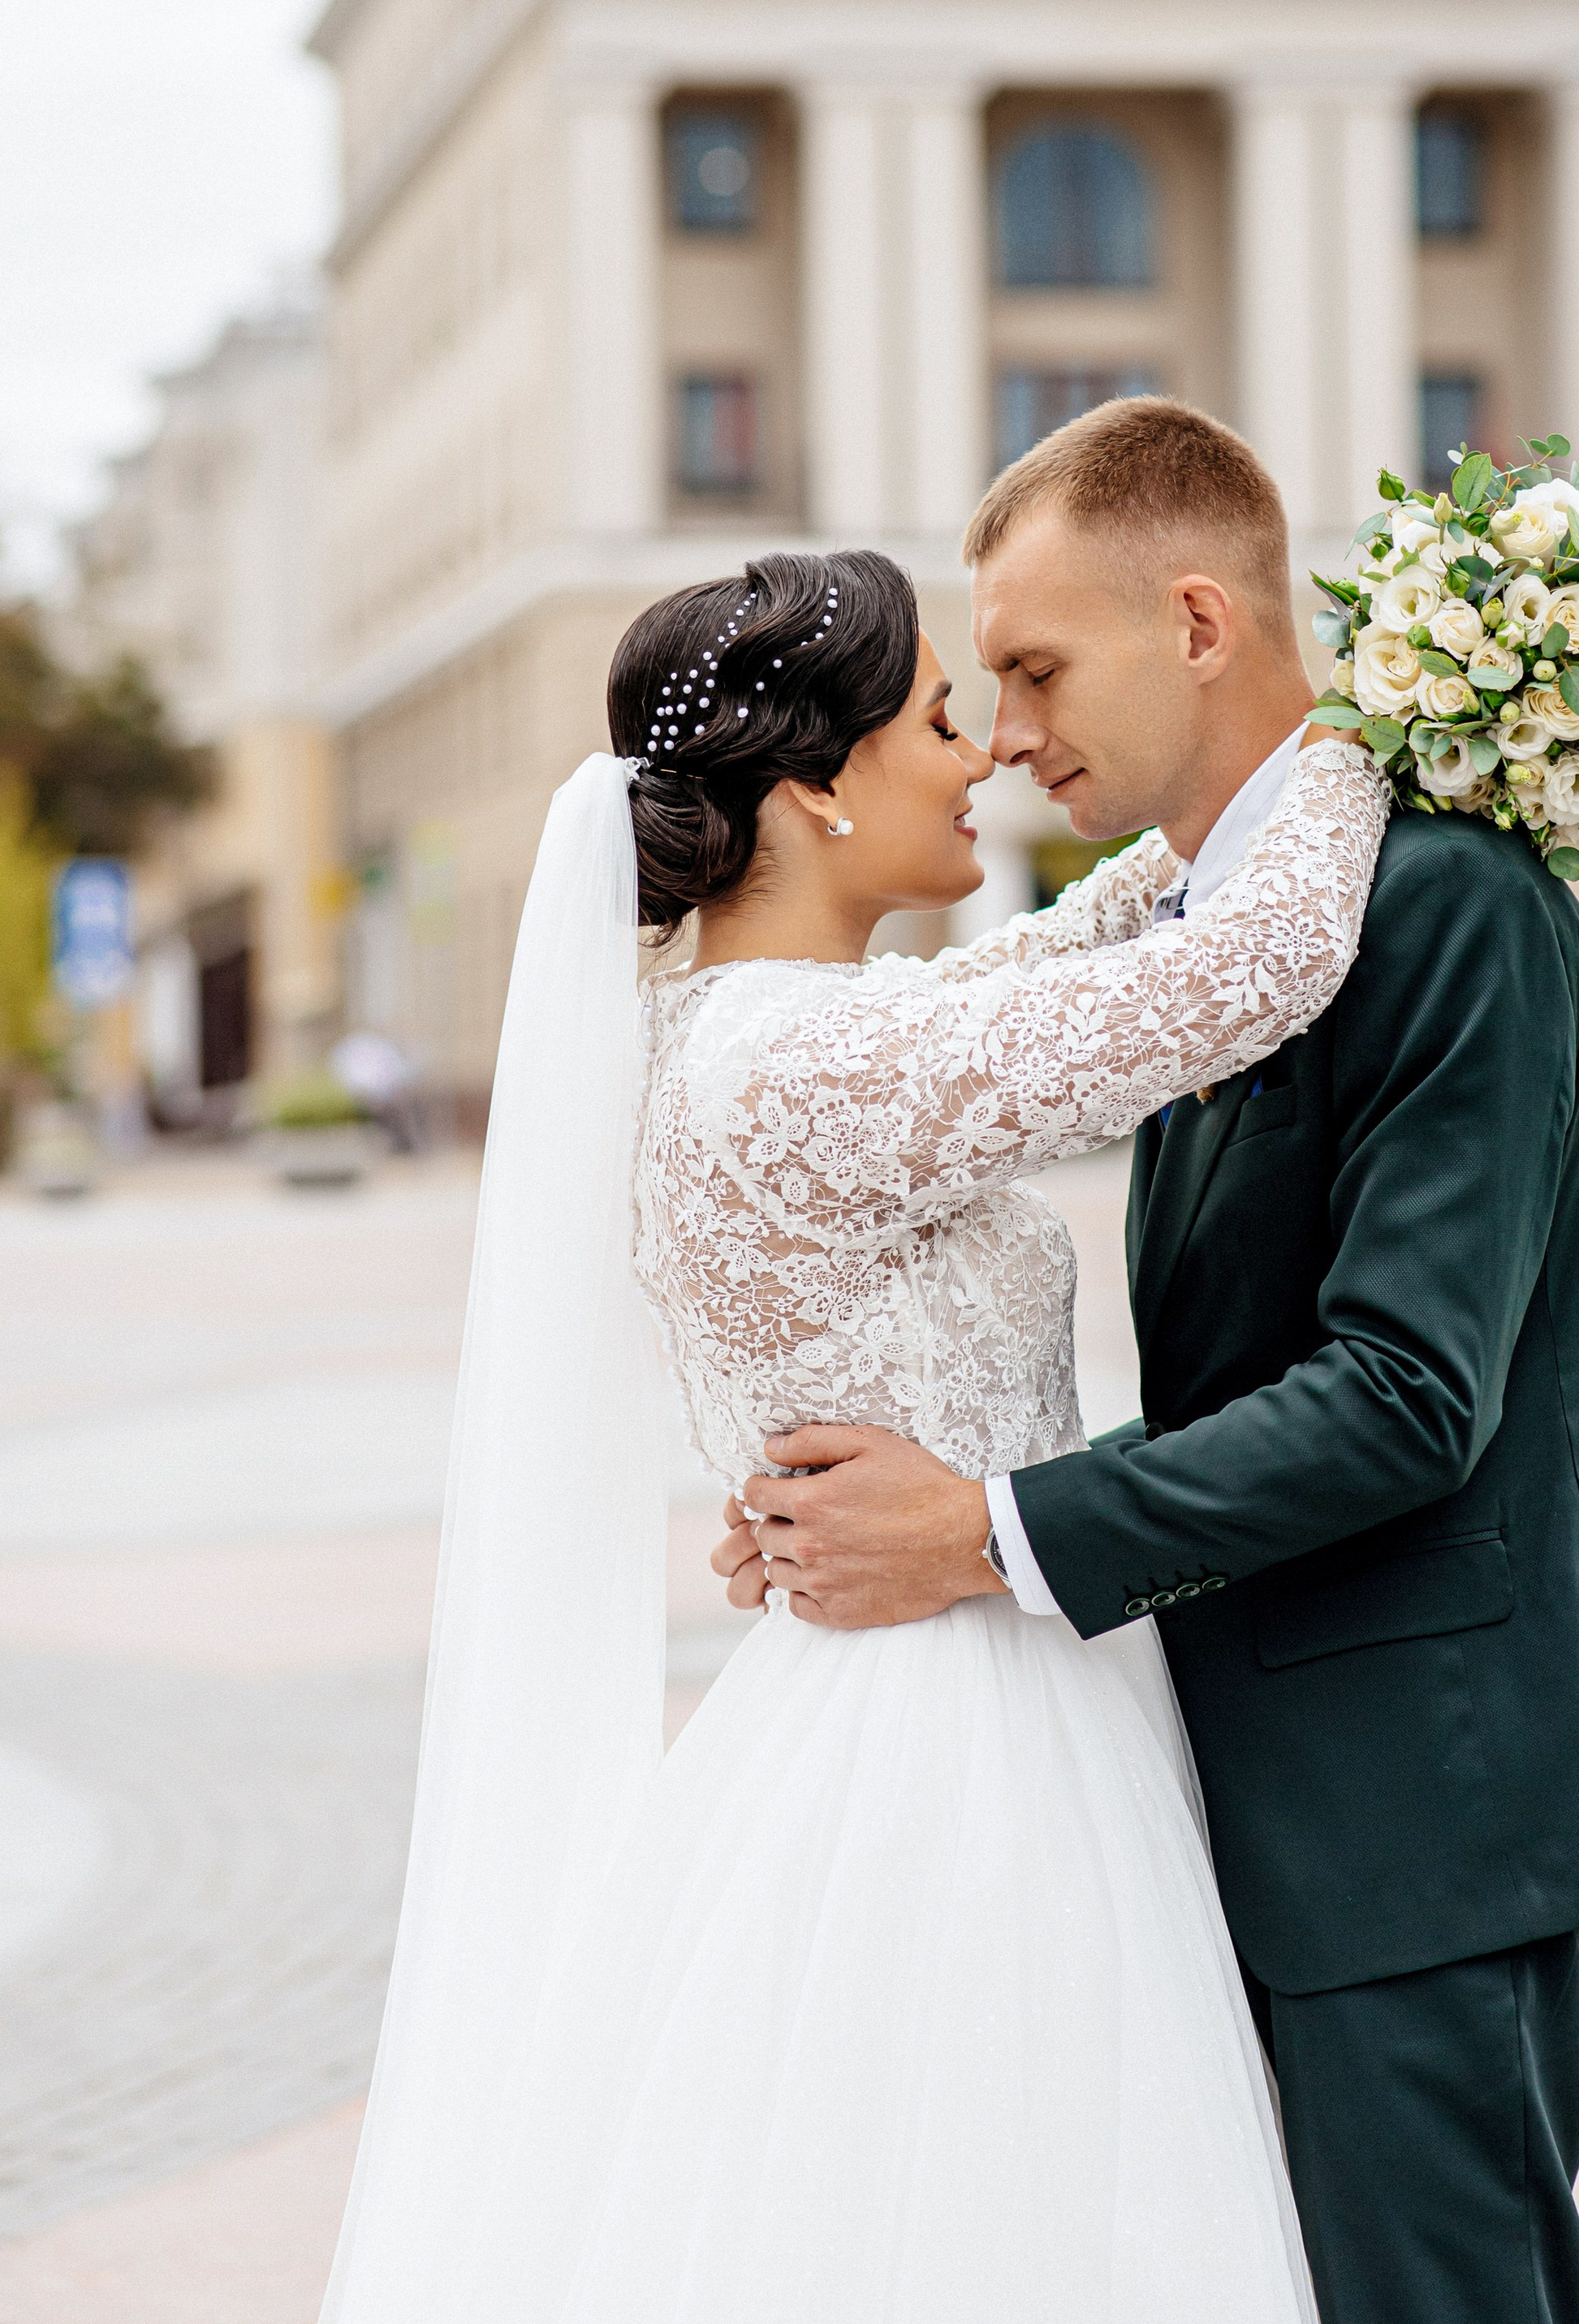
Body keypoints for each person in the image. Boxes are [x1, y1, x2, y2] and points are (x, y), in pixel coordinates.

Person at [714, 399, 1579, 2324]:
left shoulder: (1440, 903)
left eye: (1032, 668)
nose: (1009, 734)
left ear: (1195, 623)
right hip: (1266, 1774)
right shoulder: (1216, 946)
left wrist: (982, 1531)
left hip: (1414, 1800)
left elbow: (1400, 1394)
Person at [321, 539, 1389, 2322]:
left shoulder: (768, 1030)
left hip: (934, 1671)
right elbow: (1251, 974)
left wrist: (1194, 820)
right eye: (937, 718)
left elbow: (1061, 954)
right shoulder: (800, 1067)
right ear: (814, 786)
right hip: (959, 1731)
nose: (978, 752)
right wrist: (1380, 727)